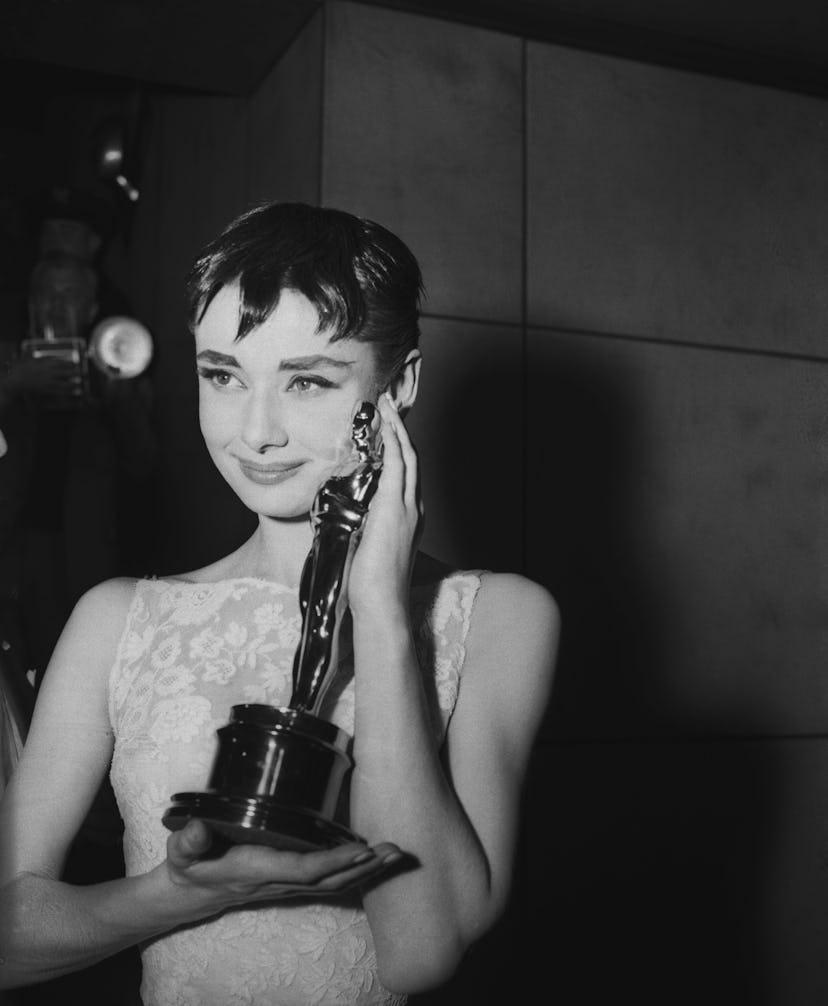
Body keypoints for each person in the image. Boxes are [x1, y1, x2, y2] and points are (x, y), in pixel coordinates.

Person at [0, 202, 559, 1005]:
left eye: (306, 380)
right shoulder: (116, 619)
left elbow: (421, 955)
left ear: (397, 386)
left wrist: (381, 613)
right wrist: (181, 895)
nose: (254, 431)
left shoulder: (504, 618)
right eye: (222, 374)